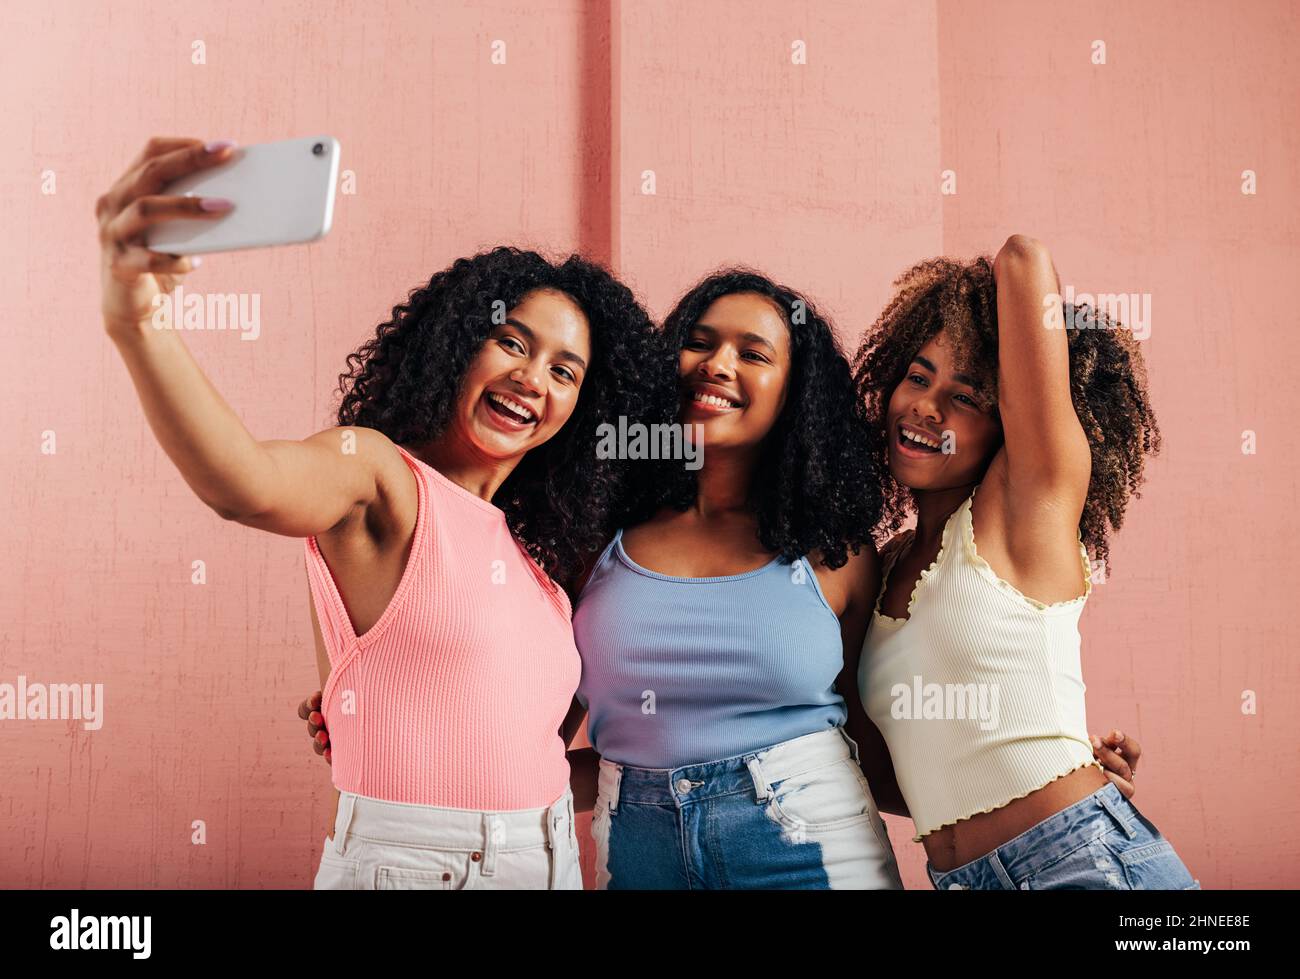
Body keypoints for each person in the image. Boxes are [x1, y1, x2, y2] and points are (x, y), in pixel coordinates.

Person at [98, 136, 665, 889]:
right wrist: (139, 321)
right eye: (511, 342)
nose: (533, 379)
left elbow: (530, 748)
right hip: (422, 866)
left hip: (550, 857)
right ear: (457, 345)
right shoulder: (378, 476)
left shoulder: (537, 565)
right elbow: (244, 481)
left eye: (564, 370)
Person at [854, 236, 1198, 890]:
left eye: (966, 397)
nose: (926, 406)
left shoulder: (1025, 508)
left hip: (1081, 859)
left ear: (1008, 423)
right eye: (918, 376)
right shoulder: (884, 566)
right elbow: (913, 775)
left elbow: (1022, 259)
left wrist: (972, 305)